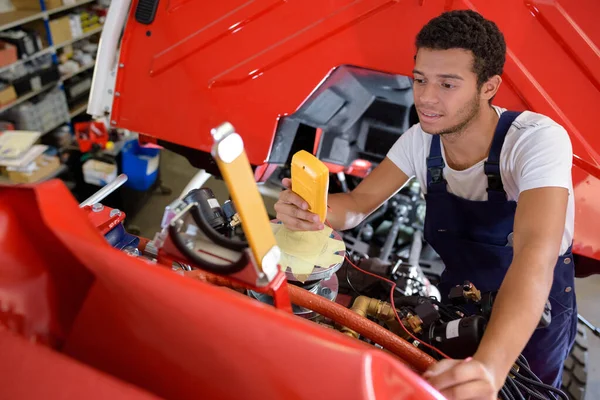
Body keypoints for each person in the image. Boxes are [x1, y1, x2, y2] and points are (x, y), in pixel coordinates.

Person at [274, 9, 577, 400]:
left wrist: (491, 366)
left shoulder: (535, 141)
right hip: (459, 300)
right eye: (420, 80)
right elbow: (356, 204)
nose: (426, 98)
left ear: (489, 87)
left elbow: (535, 253)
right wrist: (311, 209)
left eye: (447, 84)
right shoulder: (421, 140)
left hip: (535, 311)